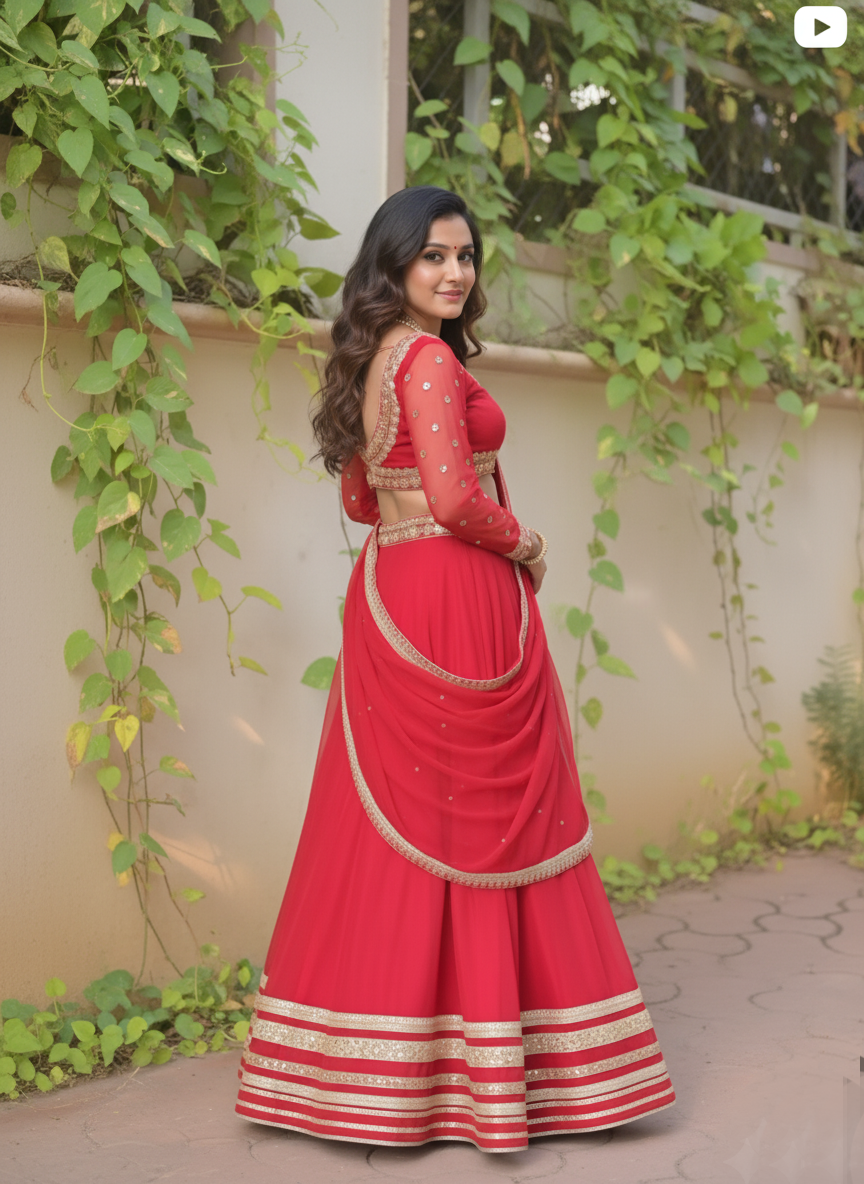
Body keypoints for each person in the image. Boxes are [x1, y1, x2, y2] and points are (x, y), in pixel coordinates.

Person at [235, 186, 675, 1151]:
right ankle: (504, 1074)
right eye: (434, 256)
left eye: (466, 257)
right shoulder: (428, 358)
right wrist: (525, 544)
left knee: (403, 822)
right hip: (453, 597)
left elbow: (362, 497)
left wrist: (428, 520)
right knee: (492, 827)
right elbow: (455, 496)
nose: (455, 273)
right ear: (394, 264)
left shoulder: (376, 354)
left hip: (393, 590)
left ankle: (376, 1074)